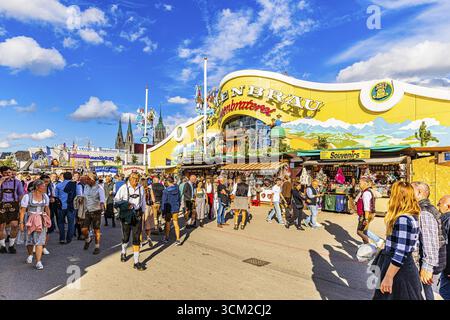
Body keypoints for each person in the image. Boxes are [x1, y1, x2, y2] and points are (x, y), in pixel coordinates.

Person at [372, 181, 422, 300]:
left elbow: (400, 252)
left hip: (399, 270)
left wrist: (389, 277)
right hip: (400, 267)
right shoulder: (410, 216)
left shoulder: (403, 219)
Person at [412, 182, 445, 300]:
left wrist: (427, 267)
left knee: (426, 295)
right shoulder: (425, 209)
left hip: (426, 266)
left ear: (420, 192)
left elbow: (429, 242)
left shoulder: (424, 212)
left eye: (412, 190)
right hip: (428, 264)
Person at [114, 172, 146, 271]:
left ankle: (136, 262)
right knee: (126, 237)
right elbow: (116, 200)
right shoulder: (123, 188)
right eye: (134, 178)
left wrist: (143, 212)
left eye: (137, 179)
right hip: (126, 215)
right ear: (130, 179)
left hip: (137, 215)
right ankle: (123, 252)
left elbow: (143, 201)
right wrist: (125, 204)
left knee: (136, 238)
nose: (136, 181)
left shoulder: (141, 188)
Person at [19, 180, 52, 270]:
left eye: (45, 186)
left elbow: (47, 209)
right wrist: (21, 223)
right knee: (29, 239)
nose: (45, 188)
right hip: (30, 219)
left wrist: (49, 220)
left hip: (41, 219)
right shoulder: (27, 196)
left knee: (40, 241)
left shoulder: (45, 196)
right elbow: (22, 210)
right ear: (37, 187)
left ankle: (38, 261)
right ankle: (30, 254)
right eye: (43, 186)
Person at [0, 166, 25, 253]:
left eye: (9, 172)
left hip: (13, 205)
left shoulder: (17, 182)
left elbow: (21, 194)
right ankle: (2, 245)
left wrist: (21, 206)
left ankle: (11, 245)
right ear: (1, 173)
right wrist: (1, 181)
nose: (8, 174)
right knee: (1, 227)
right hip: (1, 205)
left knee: (14, 225)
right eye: (6, 173)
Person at [81, 173, 105, 255]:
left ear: (93, 180)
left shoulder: (100, 188)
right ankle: (88, 239)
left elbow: (102, 200)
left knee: (96, 230)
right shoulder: (86, 186)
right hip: (87, 210)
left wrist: (102, 206)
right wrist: (81, 200)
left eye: (88, 179)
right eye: (86, 179)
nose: (86, 181)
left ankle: (97, 247)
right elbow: (84, 197)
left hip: (96, 211)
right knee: (83, 229)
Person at [355, 177, 383, 245]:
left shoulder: (366, 193)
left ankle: (369, 243)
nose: (359, 185)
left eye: (360, 183)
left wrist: (366, 219)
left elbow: (366, 207)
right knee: (364, 230)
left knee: (359, 231)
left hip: (366, 215)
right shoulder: (364, 192)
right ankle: (371, 242)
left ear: (365, 184)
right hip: (366, 214)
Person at [55, 172, 77, 244]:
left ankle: (62, 238)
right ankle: (69, 239)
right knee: (71, 223)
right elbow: (78, 195)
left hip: (61, 206)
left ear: (63, 177)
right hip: (71, 206)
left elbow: (56, 196)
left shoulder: (58, 185)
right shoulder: (74, 185)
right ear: (71, 177)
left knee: (61, 222)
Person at [162, 176, 181, 245]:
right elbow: (179, 199)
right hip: (175, 208)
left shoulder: (166, 191)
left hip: (168, 209)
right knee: (176, 223)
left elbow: (164, 202)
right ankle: (178, 239)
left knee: (167, 223)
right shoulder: (177, 189)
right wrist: (178, 206)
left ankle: (167, 237)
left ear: (168, 182)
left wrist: (163, 211)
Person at [437, 195, 450, 300]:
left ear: (448, 206)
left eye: (440, 203)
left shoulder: (446, 220)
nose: (438, 206)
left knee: (444, 292)